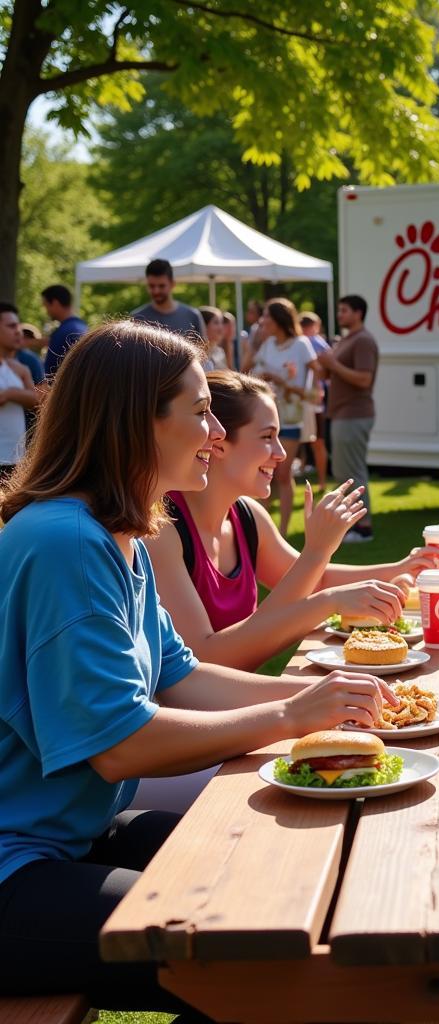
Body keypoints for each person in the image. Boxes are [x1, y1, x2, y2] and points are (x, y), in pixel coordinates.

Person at [0, 321, 395, 1017]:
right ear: (135, 423)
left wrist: (327, 698)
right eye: (199, 410)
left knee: (278, 877)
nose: (216, 429)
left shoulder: (119, 531)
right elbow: (121, 745)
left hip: (72, 836)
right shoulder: (64, 543)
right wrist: (290, 714)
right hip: (18, 868)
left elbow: (184, 676)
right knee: (241, 950)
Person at [146, 369, 439, 670]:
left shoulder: (247, 515)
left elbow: (311, 580)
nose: (280, 453)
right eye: (267, 437)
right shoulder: (162, 529)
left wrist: (398, 568)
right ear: (219, 442)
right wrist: (321, 572)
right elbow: (204, 660)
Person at [251, 297, 317, 537]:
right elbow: (250, 370)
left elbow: (316, 378)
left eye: (267, 315)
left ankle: (284, 529)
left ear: (279, 319)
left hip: (291, 416)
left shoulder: (301, 345)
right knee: (265, 470)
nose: (262, 320)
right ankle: (264, 528)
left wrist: (284, 382)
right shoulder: (267, 344)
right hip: (267, 416)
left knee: (282, 472)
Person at [319, 294, 378, 543]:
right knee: (344, 471)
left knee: (353, 471)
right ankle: (353, 525)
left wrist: (333, 363)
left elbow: (365, 379)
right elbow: (330, 372)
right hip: (342, 412)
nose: (339, 314)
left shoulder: (363, 340)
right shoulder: (347, 339)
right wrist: (325, 364)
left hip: (355, 412)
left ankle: (363, 528)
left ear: (358, 313)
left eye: (344, 310)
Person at [0, 302, 39, 481]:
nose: (18, 331)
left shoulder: (20, 367)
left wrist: (10, 393)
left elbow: (37, 400)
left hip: (15, 459)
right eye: (11, 326)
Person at [131, 258, 206, 343]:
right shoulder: (137, 318)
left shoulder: (192, 316)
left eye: (161, 286)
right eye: (152, 286)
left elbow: (202, 353)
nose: (156, 291)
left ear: (172, 284)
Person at [299, 311, 329, 491]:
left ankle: (322, 481)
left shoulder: (314, 342)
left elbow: (320, 369)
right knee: (315, 442)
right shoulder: (314, 342)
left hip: (311, 400)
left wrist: (318, 389)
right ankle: (321, 481)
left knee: (316, 441)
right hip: (310, 399)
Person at [40, 283, 88, 376]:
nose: (46, 311)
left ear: (55, 303)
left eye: (46, 306)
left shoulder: (63, 333)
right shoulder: (83, 328)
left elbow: (50, 373)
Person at [198, 305, 231, 371]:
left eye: (221, 323)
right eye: (216, 323)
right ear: (204, 326)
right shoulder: (195, 355)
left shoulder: (220, 352)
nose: (221, 328)